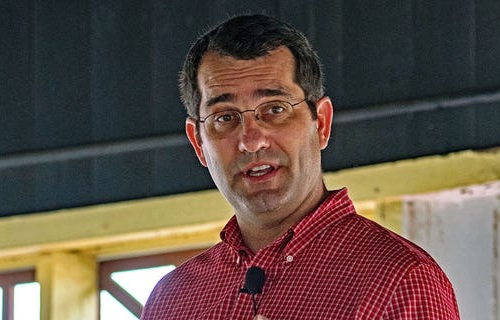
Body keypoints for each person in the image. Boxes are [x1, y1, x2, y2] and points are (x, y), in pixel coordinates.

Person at [141, 14, 459, 319]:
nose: (251, 141)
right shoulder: (172, 300)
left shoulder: (400, 280)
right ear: (198, 143)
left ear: (321, 123)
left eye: (275, 109)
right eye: (225, 117)